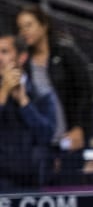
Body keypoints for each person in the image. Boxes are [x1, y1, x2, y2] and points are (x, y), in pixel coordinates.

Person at [16, 4, 93, 186]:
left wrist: (79, 127)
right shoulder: (24, 64)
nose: (24, 31)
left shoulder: (66, 54)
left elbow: (85, 92)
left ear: (44, 26)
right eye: (21, 28)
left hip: (71, 137)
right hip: (41, 144)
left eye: (29, 25)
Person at [0, 31, 56, 191]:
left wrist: (24, 103)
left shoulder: (41, 93)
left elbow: (46, 135)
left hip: (32, 181)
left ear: (22, 57)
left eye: (4, 52)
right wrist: (3, 93)